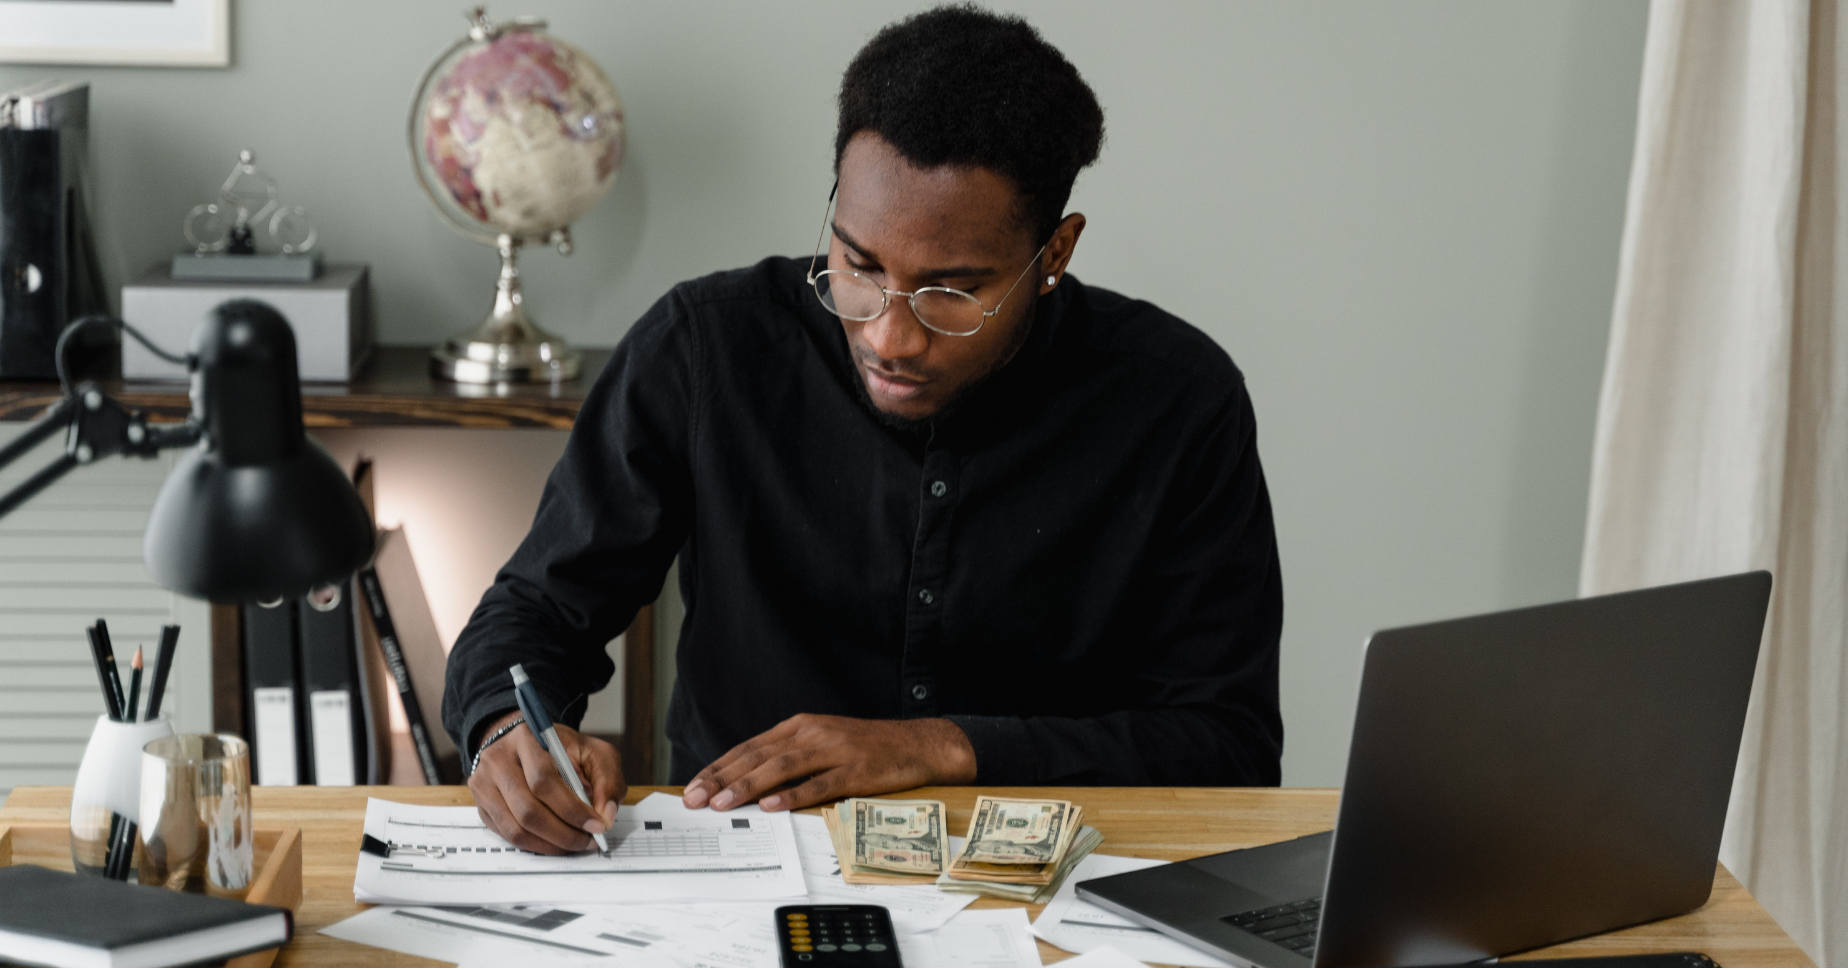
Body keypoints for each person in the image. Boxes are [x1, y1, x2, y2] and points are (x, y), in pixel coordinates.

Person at [443, 4, 1283, 856]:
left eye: (952, 291)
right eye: (859, 265)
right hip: (742, 863)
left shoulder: (1177, 400)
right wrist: (506, 729)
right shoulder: (707, 347)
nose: (889, 335)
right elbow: (538, 608)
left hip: (1051, 876)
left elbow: (1229, 746)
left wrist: (942, 747)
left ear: (1055, 253)